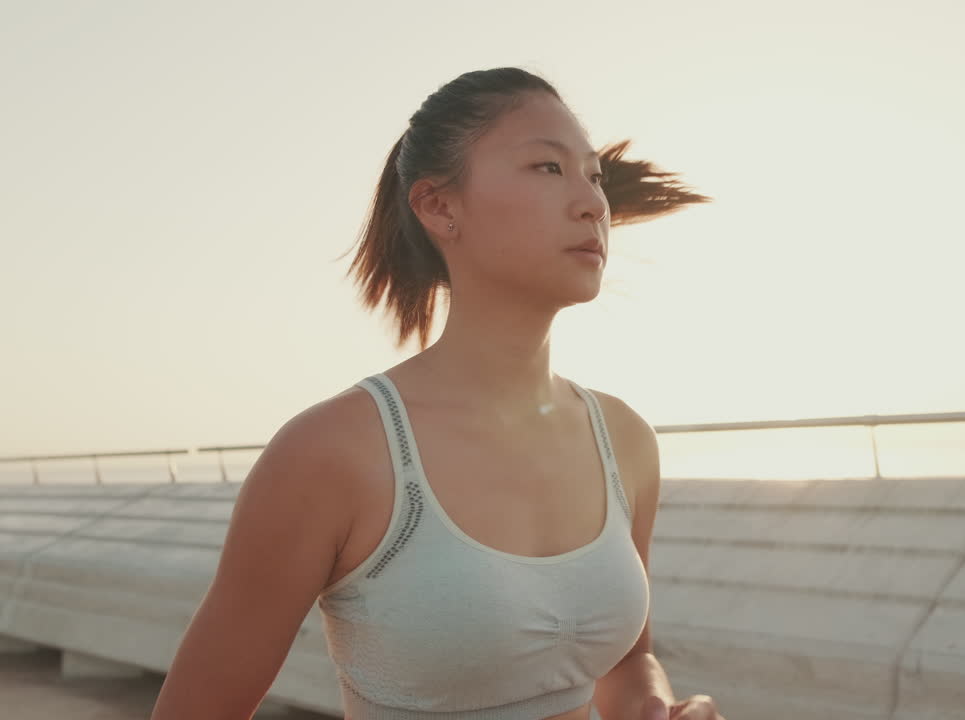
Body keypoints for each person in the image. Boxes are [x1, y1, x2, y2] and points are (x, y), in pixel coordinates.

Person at [150, 67, 724, 720]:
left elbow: (622, 664)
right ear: (439, 206)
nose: (593, 202)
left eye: (594, 174)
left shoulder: (624, 439)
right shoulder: (334, 453)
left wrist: (653, 705)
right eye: (547, 167)